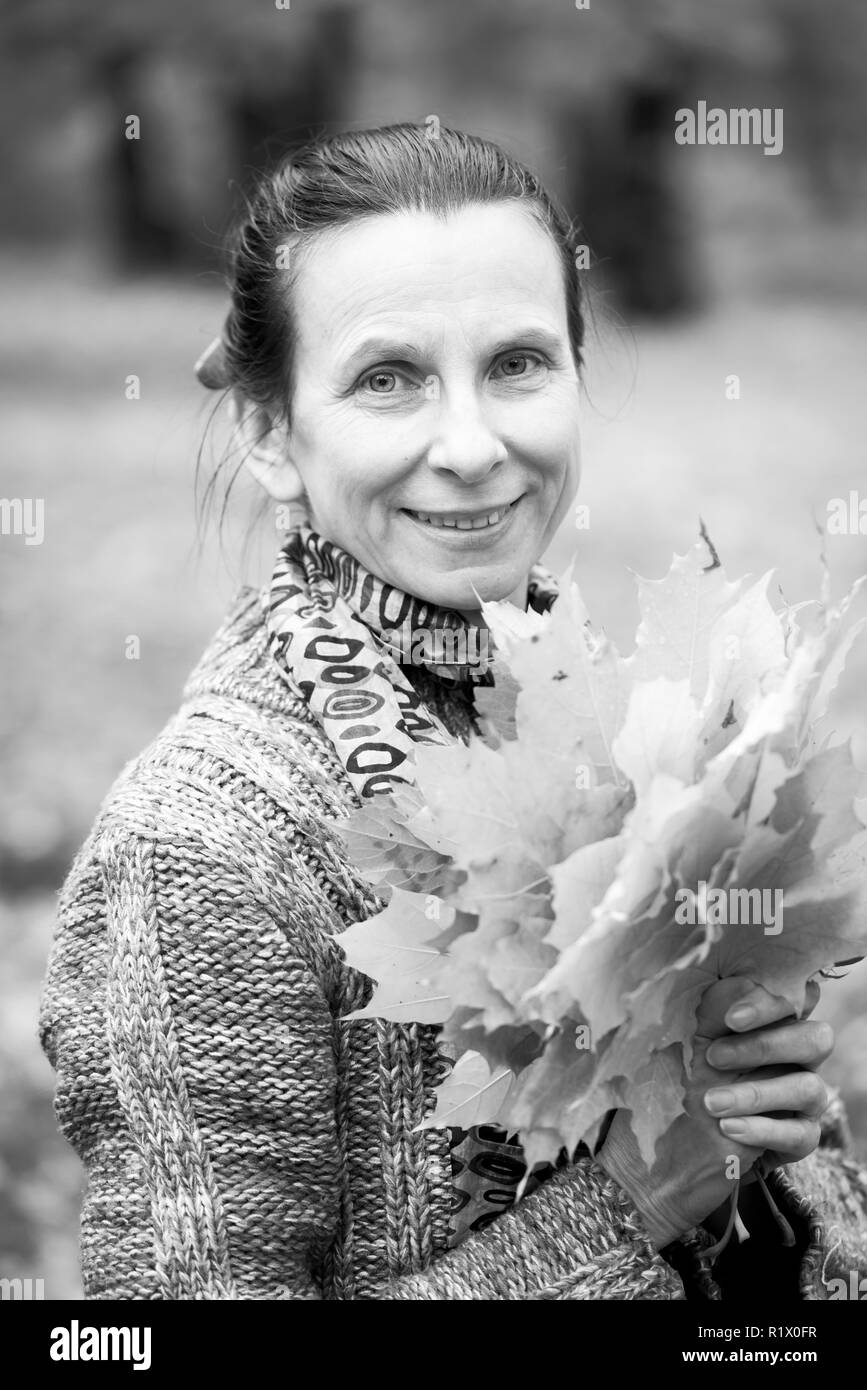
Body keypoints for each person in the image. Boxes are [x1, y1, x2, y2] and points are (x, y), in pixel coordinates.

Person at [39, 122, 867, 1300]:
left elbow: (767, 1215)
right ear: (270, 431)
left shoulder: (641, 739)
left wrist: (774, 1148)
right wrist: (631, 1205)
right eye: (390, 379)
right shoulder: (204, 845)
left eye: (519, 363)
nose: (473, 446)